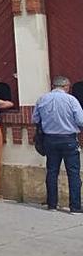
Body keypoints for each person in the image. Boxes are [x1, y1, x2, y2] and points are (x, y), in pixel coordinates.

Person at [33, 76, 83, 213]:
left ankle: (52, 204)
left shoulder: (42, 99)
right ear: (66, 86)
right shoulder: (71, 100)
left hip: (50, 140)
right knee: (73, 173)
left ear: (53, 86)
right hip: (68, 139)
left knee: (52, 172)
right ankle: (75, 207)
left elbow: (35, 119)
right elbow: (80, 120)